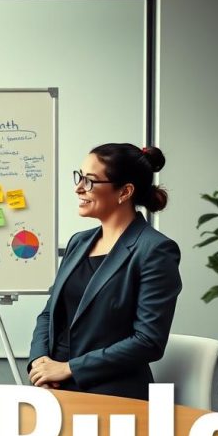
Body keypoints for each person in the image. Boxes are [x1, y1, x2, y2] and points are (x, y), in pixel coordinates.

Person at [28, 143, 182, 400]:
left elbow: (148, 341)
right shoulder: (79, 242)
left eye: (89, 181)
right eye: (79, 177)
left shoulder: (155, 250)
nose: (78, 188)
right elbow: (49, 313)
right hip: (54, 385)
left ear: (125, 192)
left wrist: (68, 369)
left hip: (112, 392)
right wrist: (39, 362)